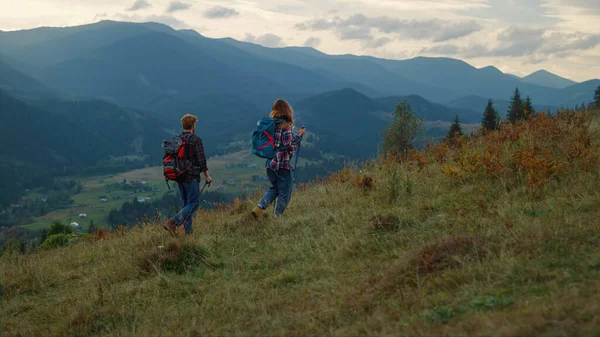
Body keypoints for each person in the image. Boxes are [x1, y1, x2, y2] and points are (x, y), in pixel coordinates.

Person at [252, 99, 305, 219]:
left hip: (270, 163)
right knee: (284, 192)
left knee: (274, 188)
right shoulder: (285, 126)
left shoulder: (271, 125)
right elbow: (287, 144)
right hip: (282, 164)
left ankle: (259, 207)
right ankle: (277, 218)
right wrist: (300, 135)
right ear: (287, 111)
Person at [163, 114, 212, 235]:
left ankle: (188, 232)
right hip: (191, 176)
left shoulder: (178, 139)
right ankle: (172, 223)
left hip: (179, 176)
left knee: (186, 205)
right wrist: (207, 176)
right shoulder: (195, 139)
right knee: (193, 204)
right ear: (193, 125)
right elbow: (201, 160)